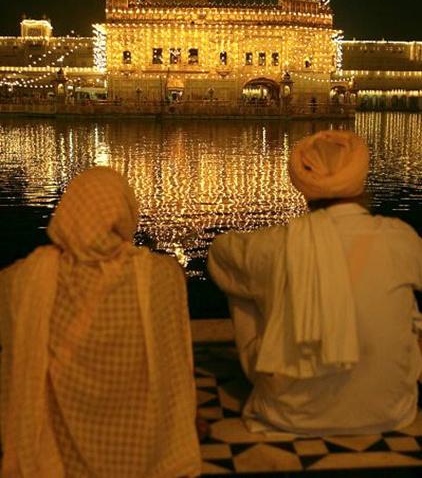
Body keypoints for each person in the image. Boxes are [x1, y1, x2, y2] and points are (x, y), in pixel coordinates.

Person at [208, 130, 422, 436]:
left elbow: (219, 257)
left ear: (304, 183)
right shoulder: (400, 237)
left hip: (288, 413)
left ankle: (289, 368)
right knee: (402, 293)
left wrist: (281, 278)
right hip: (393, 409)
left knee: (244, 280)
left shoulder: (275, 244)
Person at [0, 167, 201, 477]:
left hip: (59, 453)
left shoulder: (23, 280)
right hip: (140, 451)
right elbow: (174, 365)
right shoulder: (162, 277)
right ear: (125, 212)